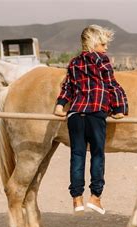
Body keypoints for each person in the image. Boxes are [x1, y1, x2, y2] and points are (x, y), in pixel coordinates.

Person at [54, 24, 128, 215]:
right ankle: (95, 197)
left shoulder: (73, 63)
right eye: (103, 44)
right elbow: (112, 85)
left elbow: (67, 88)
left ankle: (76, 198)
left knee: (77, 155)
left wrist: (60, 105)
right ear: (94, 44)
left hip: (76, 115)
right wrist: (119, 109)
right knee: (97, 155)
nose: (106, 48)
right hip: (96, 114)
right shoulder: (102, 60)